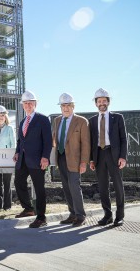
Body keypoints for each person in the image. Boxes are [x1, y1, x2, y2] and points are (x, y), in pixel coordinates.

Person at [89, 88, 128, 227]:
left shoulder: (117, 118)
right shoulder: (92, 121)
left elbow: (124, 139)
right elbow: (92, 141)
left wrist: (123, 157)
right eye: (99, 101)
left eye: (104, 100)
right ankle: (107, 215)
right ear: (96, 103)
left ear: (108, 102)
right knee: (103, 187)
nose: (102, 103)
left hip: (114, 155)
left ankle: (119, 216)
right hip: (99, 155)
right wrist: (91, 159)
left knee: (118, 186)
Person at [13, 90, 52, 228]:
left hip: (37, 160)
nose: (28, 105)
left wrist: (45, 157)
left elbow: (48, 140)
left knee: (39, 188)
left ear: (35, 104)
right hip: (23, 159)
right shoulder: (23, 121)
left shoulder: (42, 119)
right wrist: (17, 152)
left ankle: (41, 217)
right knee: (18, 182)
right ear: (22, 105)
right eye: (25, 103)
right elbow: (20, 141)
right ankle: (28, 209)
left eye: (30, 103)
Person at [52, 93, 91, 227]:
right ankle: (72, 214)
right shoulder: (57, 120)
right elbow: (55, 139)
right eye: (63, 105)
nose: (66, 108)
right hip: (61, 158)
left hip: (75, 160)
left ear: (73, 106)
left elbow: (86, 144)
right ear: (60, 107)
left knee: (74, 186)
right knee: (66, 187)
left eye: (68, 105)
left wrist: (83, 162)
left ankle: (80, 216)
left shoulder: (81, 121)